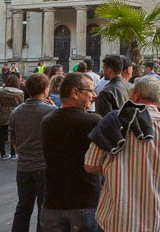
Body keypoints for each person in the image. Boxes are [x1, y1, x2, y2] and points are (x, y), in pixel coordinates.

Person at [84, 76, 160, 232]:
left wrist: (116, 170)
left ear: (136, 95)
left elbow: (90, 166)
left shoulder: (112, 122)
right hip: (155, 221)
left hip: (114, 220)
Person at [41, 73, 101, 232]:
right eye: (90, 91)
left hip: (53, 201)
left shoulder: (47, 121)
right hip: (84, 200)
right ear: (75, 92)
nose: (93, 95)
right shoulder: (93, 121)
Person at [8, 73, 56, 232]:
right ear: (45, 89)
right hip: (43, 166)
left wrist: (22, 153)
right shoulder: (50, 111)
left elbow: (13, 139)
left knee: (23, 206)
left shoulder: (16, 111)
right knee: (44, 208)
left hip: (23, 166)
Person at [0, 75, 25, 160]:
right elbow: (21, 105)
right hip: (15, 114)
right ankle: (13, 153)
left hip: (3, 113)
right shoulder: (20, 92)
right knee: (14, 135)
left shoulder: (1, 91)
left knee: (2, 135)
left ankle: (3, 154)